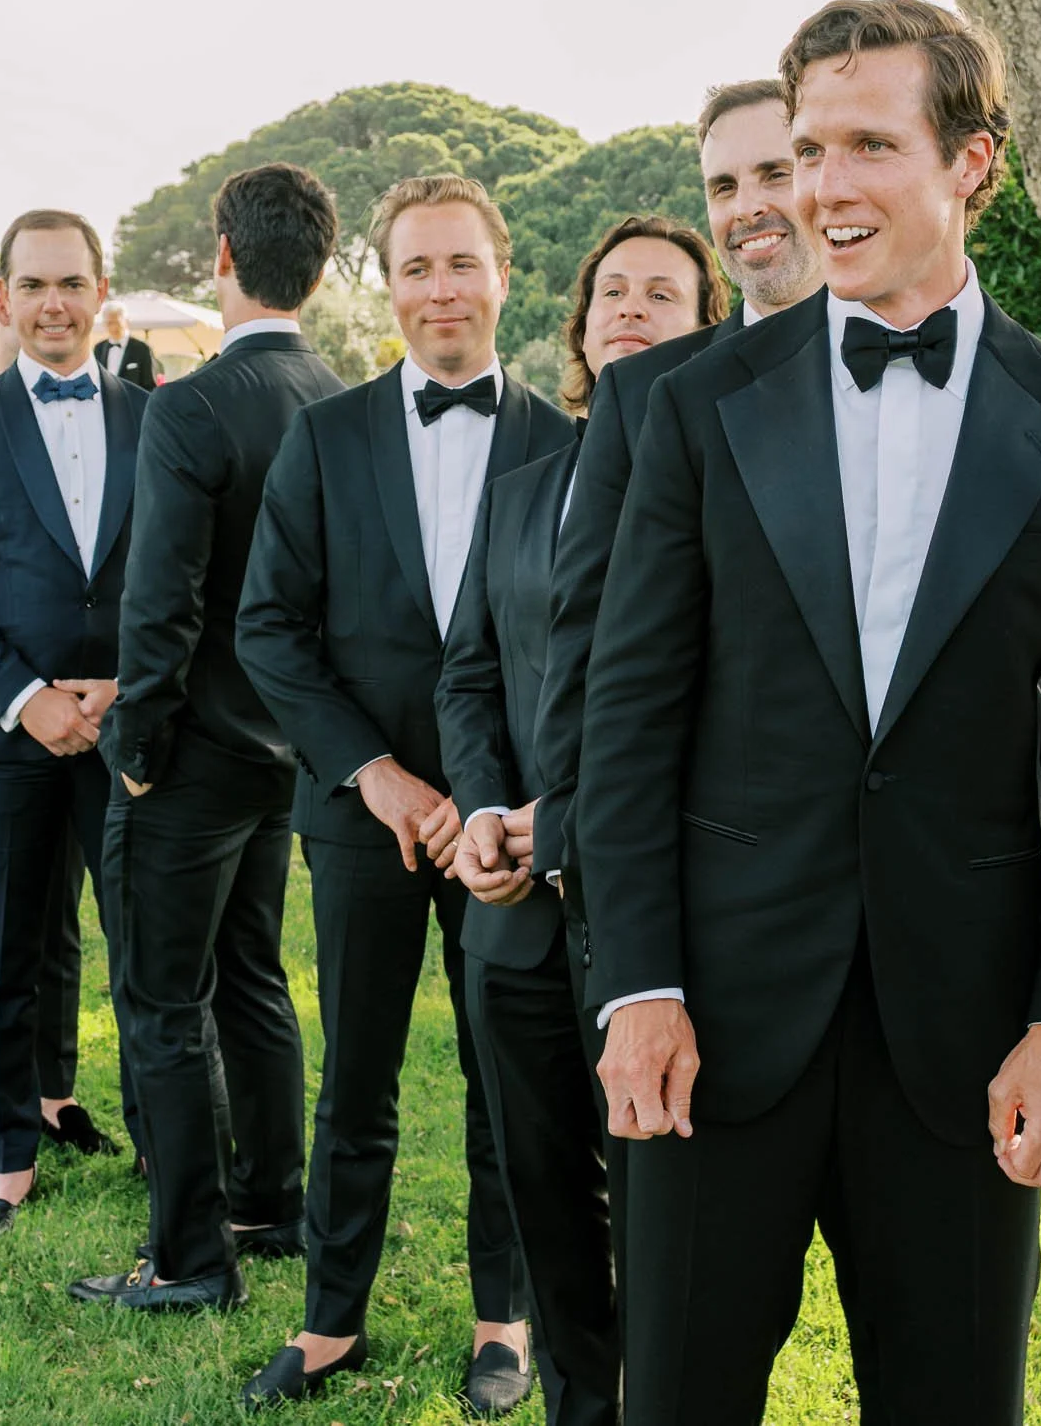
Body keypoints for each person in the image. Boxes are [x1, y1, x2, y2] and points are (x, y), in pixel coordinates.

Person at [576, 0, 1041, 1424]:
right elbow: (630, 712)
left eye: (868, 147)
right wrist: (637, 980)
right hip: (712, 1013)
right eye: (808, 149)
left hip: (965, 1035)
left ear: (974, 163)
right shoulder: (693, 404)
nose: (822, 187)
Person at [236, 174, 571, 1414]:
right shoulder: (323, 437)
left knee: (508, 1077)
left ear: (501, 270)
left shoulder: (566, 443)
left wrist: (503, 803)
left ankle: (507, 1318)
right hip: (364, 814)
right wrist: (376, 775)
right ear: (390, 284)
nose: (441, 288)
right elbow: (267, 626)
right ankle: (329, 1321)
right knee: (357, 1075)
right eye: (417, 267)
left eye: (460, 263)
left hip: (510, 827)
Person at [436, 214, 724, 1426]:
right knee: (541, 1188)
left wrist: (567, 816)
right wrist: (491, 809)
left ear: (707, 328)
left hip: (654, 922)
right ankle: (575, 1404)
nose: (630, 309)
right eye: (612, 290)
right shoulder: (519, 491)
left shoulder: (728, 477)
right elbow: (467, 673)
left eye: (663, 292)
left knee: (663, 1208)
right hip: (510, 916)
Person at [69, 165, 347, 1312]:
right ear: (321, 270)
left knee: (160, 1001)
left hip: (183, 756)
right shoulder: (342, 397)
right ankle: (270, 1203)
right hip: (287, 751)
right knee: (253, 979)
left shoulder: (191, 405)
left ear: (221, 258)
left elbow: (161, 598)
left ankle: (189, 1256)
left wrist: (134, 740)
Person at [0, 208, 145, 1237]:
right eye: (34, 285)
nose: (54, 303)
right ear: (4, 300)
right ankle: (7, 1154)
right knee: (4, 949)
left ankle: (162, 1134)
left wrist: (128, 680)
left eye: (72, 282)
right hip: (1, 733)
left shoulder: (155, 415)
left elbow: (183, 574)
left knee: (143, 944)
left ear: (101, 294)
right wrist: (27, 697)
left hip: (129, 725)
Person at [533, 79, 825, 895]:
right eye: (723, 187)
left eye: (775, 172)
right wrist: (568, 828)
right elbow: (586, 629)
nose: (748, 207)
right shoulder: (646, 394)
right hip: (705, 848)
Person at [95, 301, 160, 392]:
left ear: (126, 321)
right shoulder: (99, 348)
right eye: (109, 323)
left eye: (116, 322)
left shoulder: (142, 348)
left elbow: (150, 385)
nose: (113, 327)